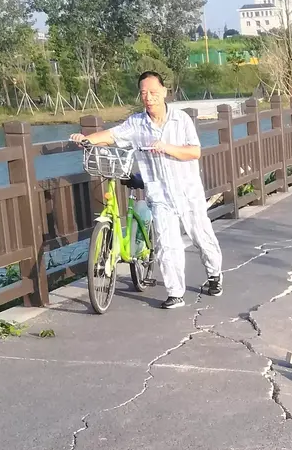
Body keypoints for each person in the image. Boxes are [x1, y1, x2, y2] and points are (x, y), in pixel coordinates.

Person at [70, 70, 223, 310]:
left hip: (187, 191)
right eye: (144, 93)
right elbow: (112, 135)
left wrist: (166, 147)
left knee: (201, 237)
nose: (148, 98)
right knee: (167, 244)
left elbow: (194, 151)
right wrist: (87, 140)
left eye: (153, 92)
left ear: (164, 92)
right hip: (159, 194)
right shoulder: (137, 123)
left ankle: (214, 275)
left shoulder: (181, 119)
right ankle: (175, 293)